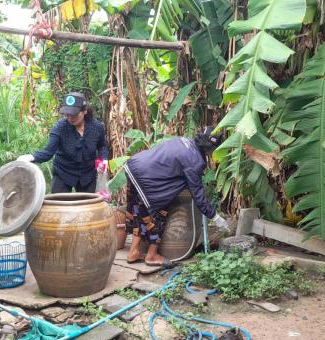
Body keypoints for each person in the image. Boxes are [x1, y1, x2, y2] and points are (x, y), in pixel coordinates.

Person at [123, 127, 230, 267]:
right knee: (159, 212)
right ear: (210, 148)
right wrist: (215, 216)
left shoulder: (183, 140)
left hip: (132, 167)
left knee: (137, 210)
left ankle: (133, 252)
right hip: (145, 179)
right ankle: (152, 255)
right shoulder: (195, 161)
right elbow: (197, 194)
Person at [18, 92, 109, 194]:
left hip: (87, 174)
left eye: (74, 114)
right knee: (58, 205)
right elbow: (48, 152)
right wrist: (31, 157)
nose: (70, 118)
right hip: (64, 172)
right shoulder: (60, 127)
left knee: (88, 206)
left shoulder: (96, 127)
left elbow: (102, 146)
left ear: (85, 111)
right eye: (67, 114)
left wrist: (104, 159)